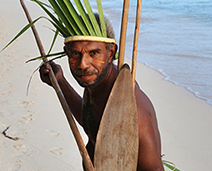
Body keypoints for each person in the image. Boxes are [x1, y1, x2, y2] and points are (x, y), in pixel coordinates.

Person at [39, 15, 164, 171]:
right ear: (66, 52)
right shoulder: (97, 83)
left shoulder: (131, 110)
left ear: (111, 53)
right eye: (76, 54)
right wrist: (60, 82)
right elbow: (93, 122)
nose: (83, 64)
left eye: (93, 53)